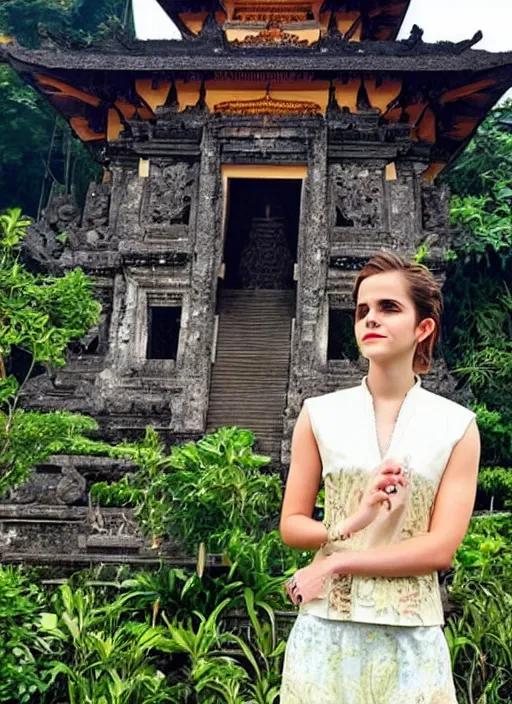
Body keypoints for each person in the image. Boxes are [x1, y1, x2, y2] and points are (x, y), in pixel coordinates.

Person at [279, 252, 480, 704]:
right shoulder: (319, 415)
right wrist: (348, 525)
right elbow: (292, 524)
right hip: (325, 627)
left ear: (422, 327)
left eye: (389, 308)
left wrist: (334, 561)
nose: (371, 319)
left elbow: (440, 547)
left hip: (412, 633)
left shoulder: (456, 426)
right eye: (363, 310)